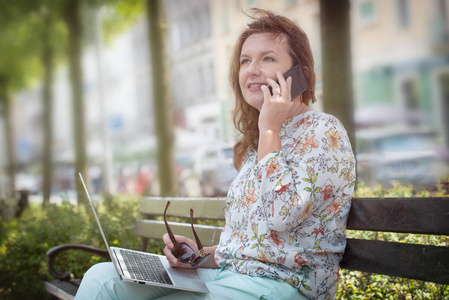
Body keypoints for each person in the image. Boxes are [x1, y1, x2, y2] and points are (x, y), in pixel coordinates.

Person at [75, 8, 356, 300]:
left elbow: (281, 216)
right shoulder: (260, 141)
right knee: (102, 277)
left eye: (267, 58)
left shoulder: (323, 130)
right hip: (229, 276)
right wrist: (197, 255)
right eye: (245, 60)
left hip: (285, 284)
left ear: (300, 75)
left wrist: (269, 129)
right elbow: (247, 246)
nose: (251, 69)